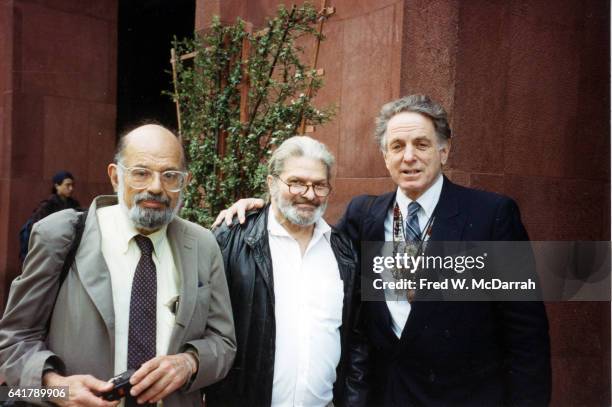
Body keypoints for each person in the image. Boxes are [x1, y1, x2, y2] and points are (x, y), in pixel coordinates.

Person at [214, 95, 552, 406]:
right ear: (385, 156)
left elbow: (526, 334)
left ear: (444, 150)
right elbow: (307, 228)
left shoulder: (491, 216)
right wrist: (261, 207)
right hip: (387, 397)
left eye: (421, 144)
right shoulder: (365, 217)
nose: (409, 157)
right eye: (397, 146)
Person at [0, 124, 236, 407]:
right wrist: (56, 388)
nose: (156, 187)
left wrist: (190, 362)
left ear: (184, 181)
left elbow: (223, 342)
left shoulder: (202, 244)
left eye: (170, 175)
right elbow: (12, 343)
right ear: (115, 177)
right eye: (141, 173)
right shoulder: (60, 236)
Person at [207, 136, 367, 407]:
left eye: (319, 185)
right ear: (271, 183)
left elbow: (356, 342)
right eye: (296, 182)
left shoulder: (344, 252)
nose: (308, 194)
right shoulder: (231, 240)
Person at [19, 171, 81, 262]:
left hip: (67, 249)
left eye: (72, 185)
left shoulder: (74, 204)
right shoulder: (47, 205)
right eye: (67, 185)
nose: (71, 188)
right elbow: (36, 227)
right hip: (49, 251)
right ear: (57, 186)